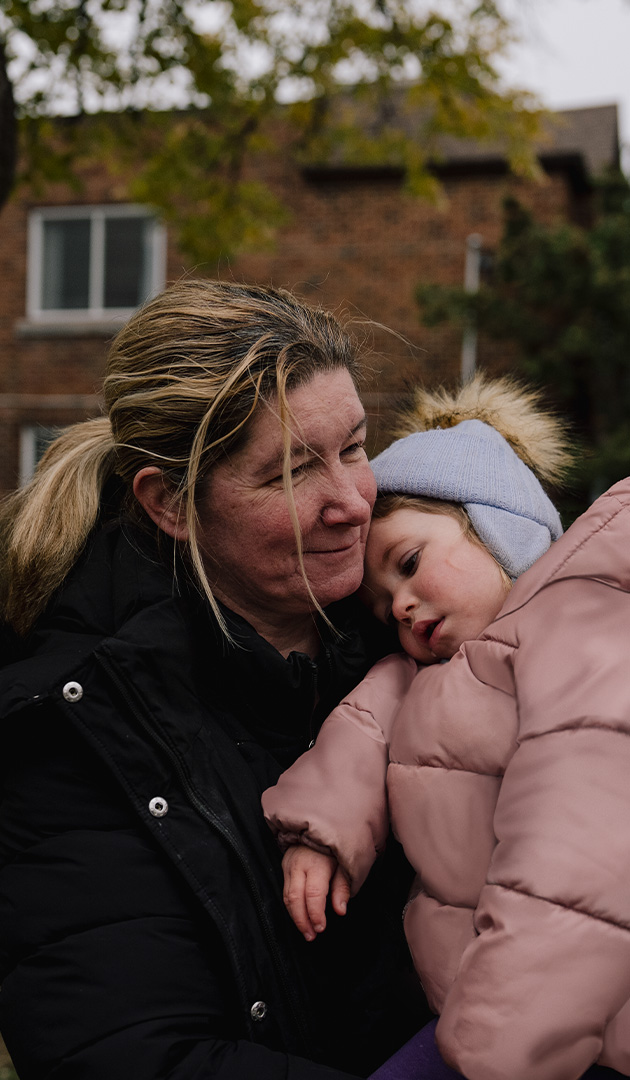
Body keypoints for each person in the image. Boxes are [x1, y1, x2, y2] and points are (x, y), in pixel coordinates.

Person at [0, 279, 430, 1080]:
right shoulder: (75, 729)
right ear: (170, 504)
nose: (352, 501)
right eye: (292, 473)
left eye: (356, 447)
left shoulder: (416, 622)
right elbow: (137, 1055)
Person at [264, 378, 630, 1079]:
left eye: (409, 564)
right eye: (382, 607)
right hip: (483, 1009)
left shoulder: (577, 627)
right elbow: (360, 734)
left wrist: (502, 1044)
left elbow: (577, 852)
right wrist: (319, 832)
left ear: (499, 525)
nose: (399, 605)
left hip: (568, 1018)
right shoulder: (423, 676)